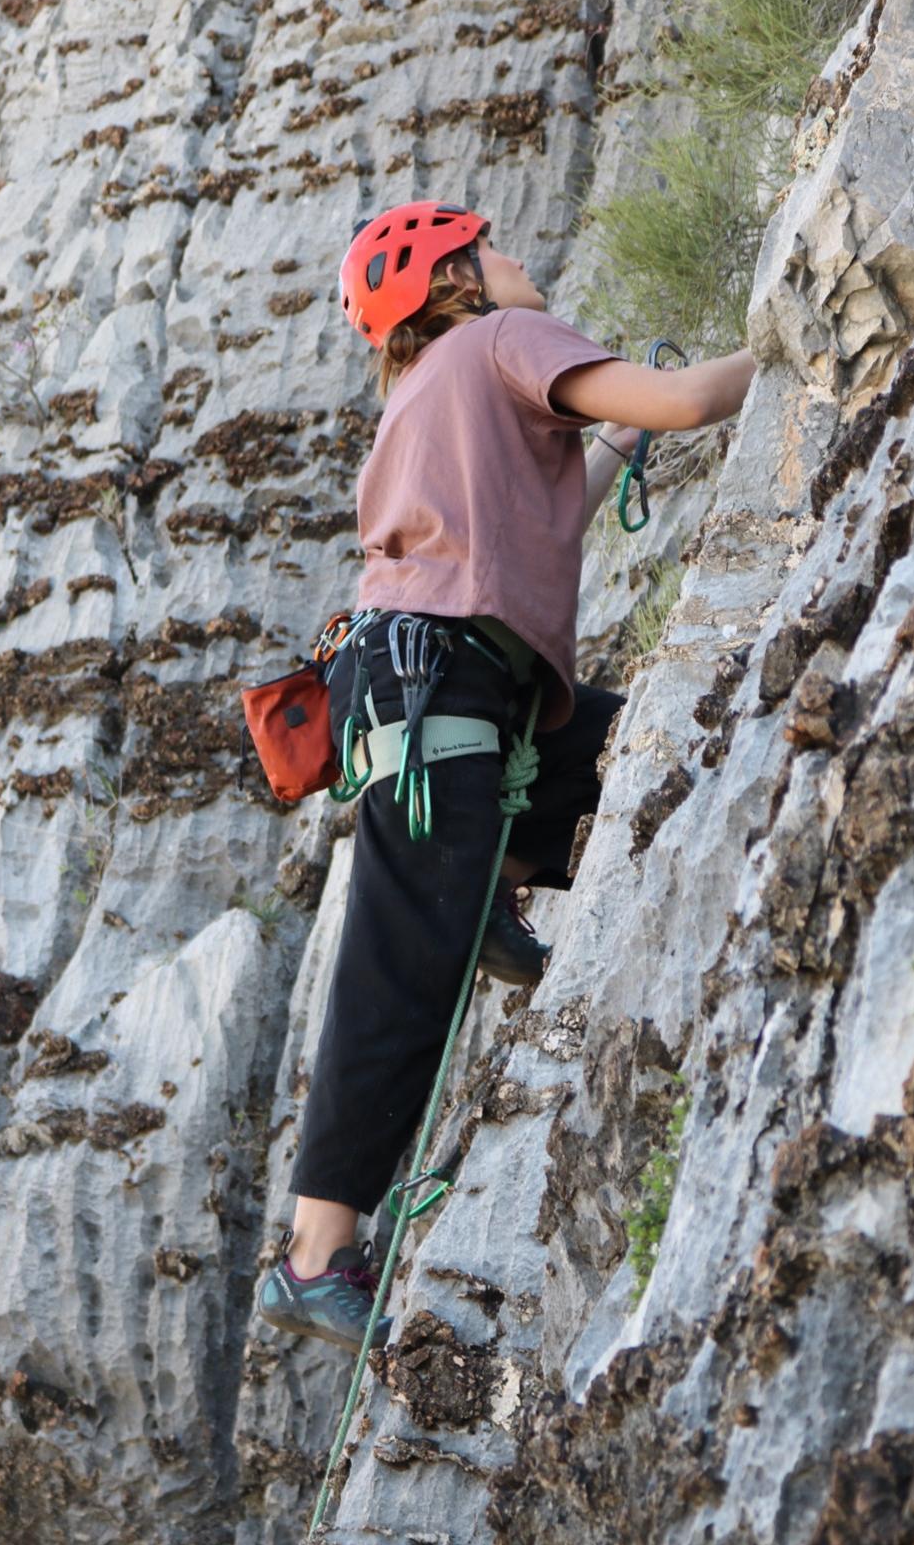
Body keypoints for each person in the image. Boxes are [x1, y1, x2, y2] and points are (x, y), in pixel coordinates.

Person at [258, 200, 755, 1352]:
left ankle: (504, 877)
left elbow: (533, 527)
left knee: (651, 756)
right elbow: (680, 397)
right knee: (399, 963)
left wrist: (619, 447)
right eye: (494, 245)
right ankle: (315, 1254)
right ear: (456, 281)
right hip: (443, 689)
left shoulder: (416, 399)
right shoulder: (495, 342)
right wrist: (786, 338)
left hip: (438, 683)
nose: (520, 257)